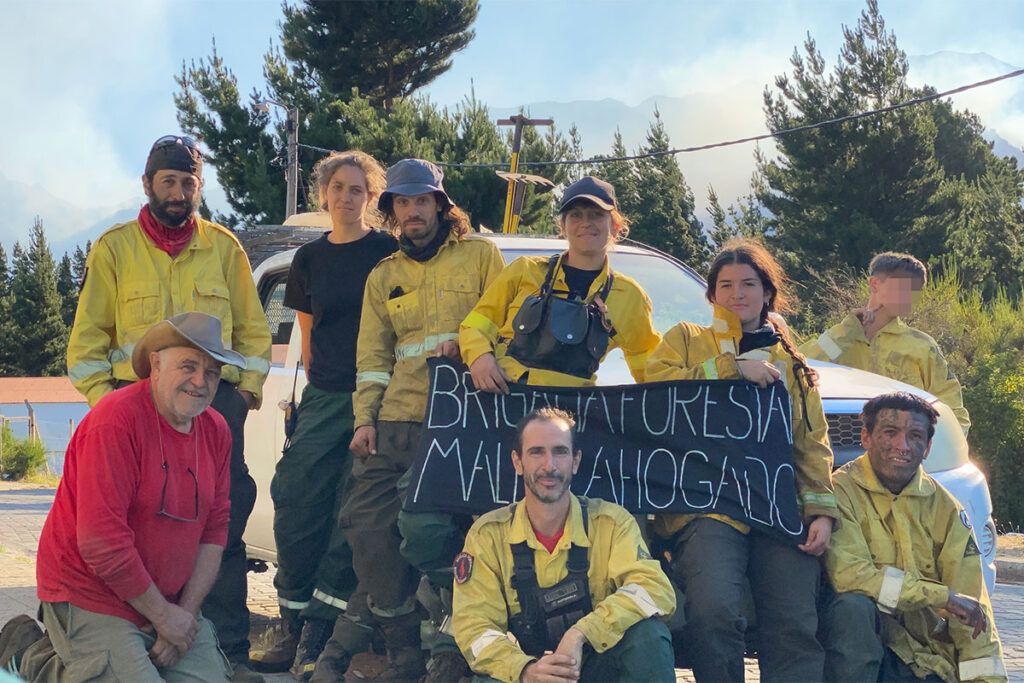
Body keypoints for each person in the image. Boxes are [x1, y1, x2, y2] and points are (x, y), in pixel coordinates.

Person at [65, 135, 271, 682]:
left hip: (211, 415)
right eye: (169, 182)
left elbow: (251, 332)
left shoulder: (224, 248)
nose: (179, 193)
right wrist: (109, 407)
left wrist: (241, 397)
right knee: (130, 526)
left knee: (219, 528)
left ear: (199, 187)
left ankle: (226, 646)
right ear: (148, 185)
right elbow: (85, 345)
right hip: (130, 418)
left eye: (188, 183)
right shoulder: (114, 249)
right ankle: (131, 626)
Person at [5, 313, 244, 682]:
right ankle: (32, 655)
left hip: (167, 600)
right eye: (188, 366)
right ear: (156, 364)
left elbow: (215, 532)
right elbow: (102, 544)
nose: (200, 381)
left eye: (212, 372)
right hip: (91, 594)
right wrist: (163, 618)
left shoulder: (216, 431)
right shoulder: (114, 422)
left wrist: (181, 617)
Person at [645, 237, 840, 682]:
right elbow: (656, 392)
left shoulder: (791, 362)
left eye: (749, 284)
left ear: (767, 292)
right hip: (706, 508)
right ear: (711, 295)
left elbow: (812, 444)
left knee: (794, 619)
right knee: (715, 612)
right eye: (726, 285)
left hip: (777, 510)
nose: (738, 294)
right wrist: (730, 368)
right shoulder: (685, 340)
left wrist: (821, 512)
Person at [341, 158, 505, 681]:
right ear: (391, 212)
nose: (413, 211)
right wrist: (364, 420)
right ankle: (402, 646)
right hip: (395, 421)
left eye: (422, 200)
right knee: (368, 527)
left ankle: (451, 644)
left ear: (441, 204)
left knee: (438, 531)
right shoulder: (383, 276)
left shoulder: (481, 256)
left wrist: (478, 349)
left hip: (461, 423)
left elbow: (504, 330)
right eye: (403, 203)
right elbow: (371, 360)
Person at [249, 151, 398, 680]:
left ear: (371, 198)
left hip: (378, 397)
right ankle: (289, 620)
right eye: (339, 187)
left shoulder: (388, 253)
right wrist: (317, 390)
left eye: (358, 189)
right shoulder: (309, 259)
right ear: (324, 194)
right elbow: (306, 337)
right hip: (325, 396)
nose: (347, 197)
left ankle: (322, 631)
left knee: (350, 514)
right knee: (295, 496)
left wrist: (373, 402)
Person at [451, 408, 676, 683]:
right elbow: (475, 629)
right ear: (517, 462)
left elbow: (655, 589)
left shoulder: (612, 523)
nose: (550, 466)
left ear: (576, 461)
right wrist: (525, 670)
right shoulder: (487, 536)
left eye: (560, 451)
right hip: (528, 674)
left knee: (648, 636)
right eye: (536, 452)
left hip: (596, 668)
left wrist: (582, 633)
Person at [821, 392, 1005, 683]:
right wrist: (941, 596)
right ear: (866, 437)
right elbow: (849, 575)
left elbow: (972, 608)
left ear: (928, 447)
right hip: (853, 651)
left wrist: (984, 680)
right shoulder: (839, 492)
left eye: (915, 435)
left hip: (922, 656)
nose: (902, 446)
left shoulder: (946, 508)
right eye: (890, 433)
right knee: (852, 608)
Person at [460, 175, 660, 392]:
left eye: (596, 214)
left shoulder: (630, 296)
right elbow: (475, 325)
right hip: (506, 402)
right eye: (575, 215)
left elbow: (651, 368)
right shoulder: (524, 271)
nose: (585, 223)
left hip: (572, 416)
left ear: (614, 226)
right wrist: (479, 357)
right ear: (563, 226)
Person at [800, 252, 970, 434]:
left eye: (917, 290)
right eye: (904, 288)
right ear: (874, 284)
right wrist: (848, 329)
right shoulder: (839, 338)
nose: (911, 297)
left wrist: (939, 452)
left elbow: (953, 411)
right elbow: (800, 368)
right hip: (841, 451)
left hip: (904, 454)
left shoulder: (922, 346)